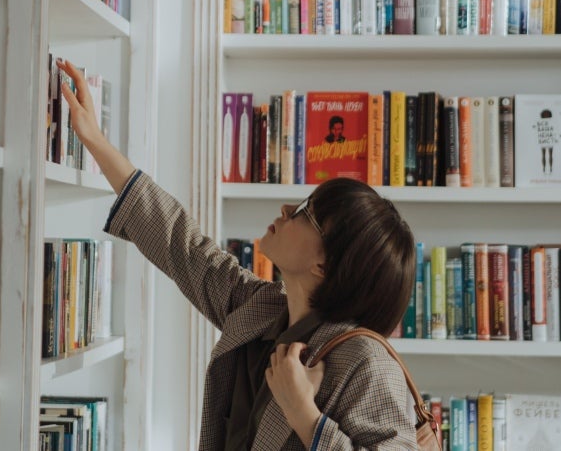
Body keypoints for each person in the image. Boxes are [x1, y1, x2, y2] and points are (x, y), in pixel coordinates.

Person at [57, 58, 418, 450]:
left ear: (325, 263)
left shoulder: (366, 363)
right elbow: (182, 244)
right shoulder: (261, 310)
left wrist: (306, 418)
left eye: (305, 212)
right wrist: (94, 138)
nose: (285, 210)